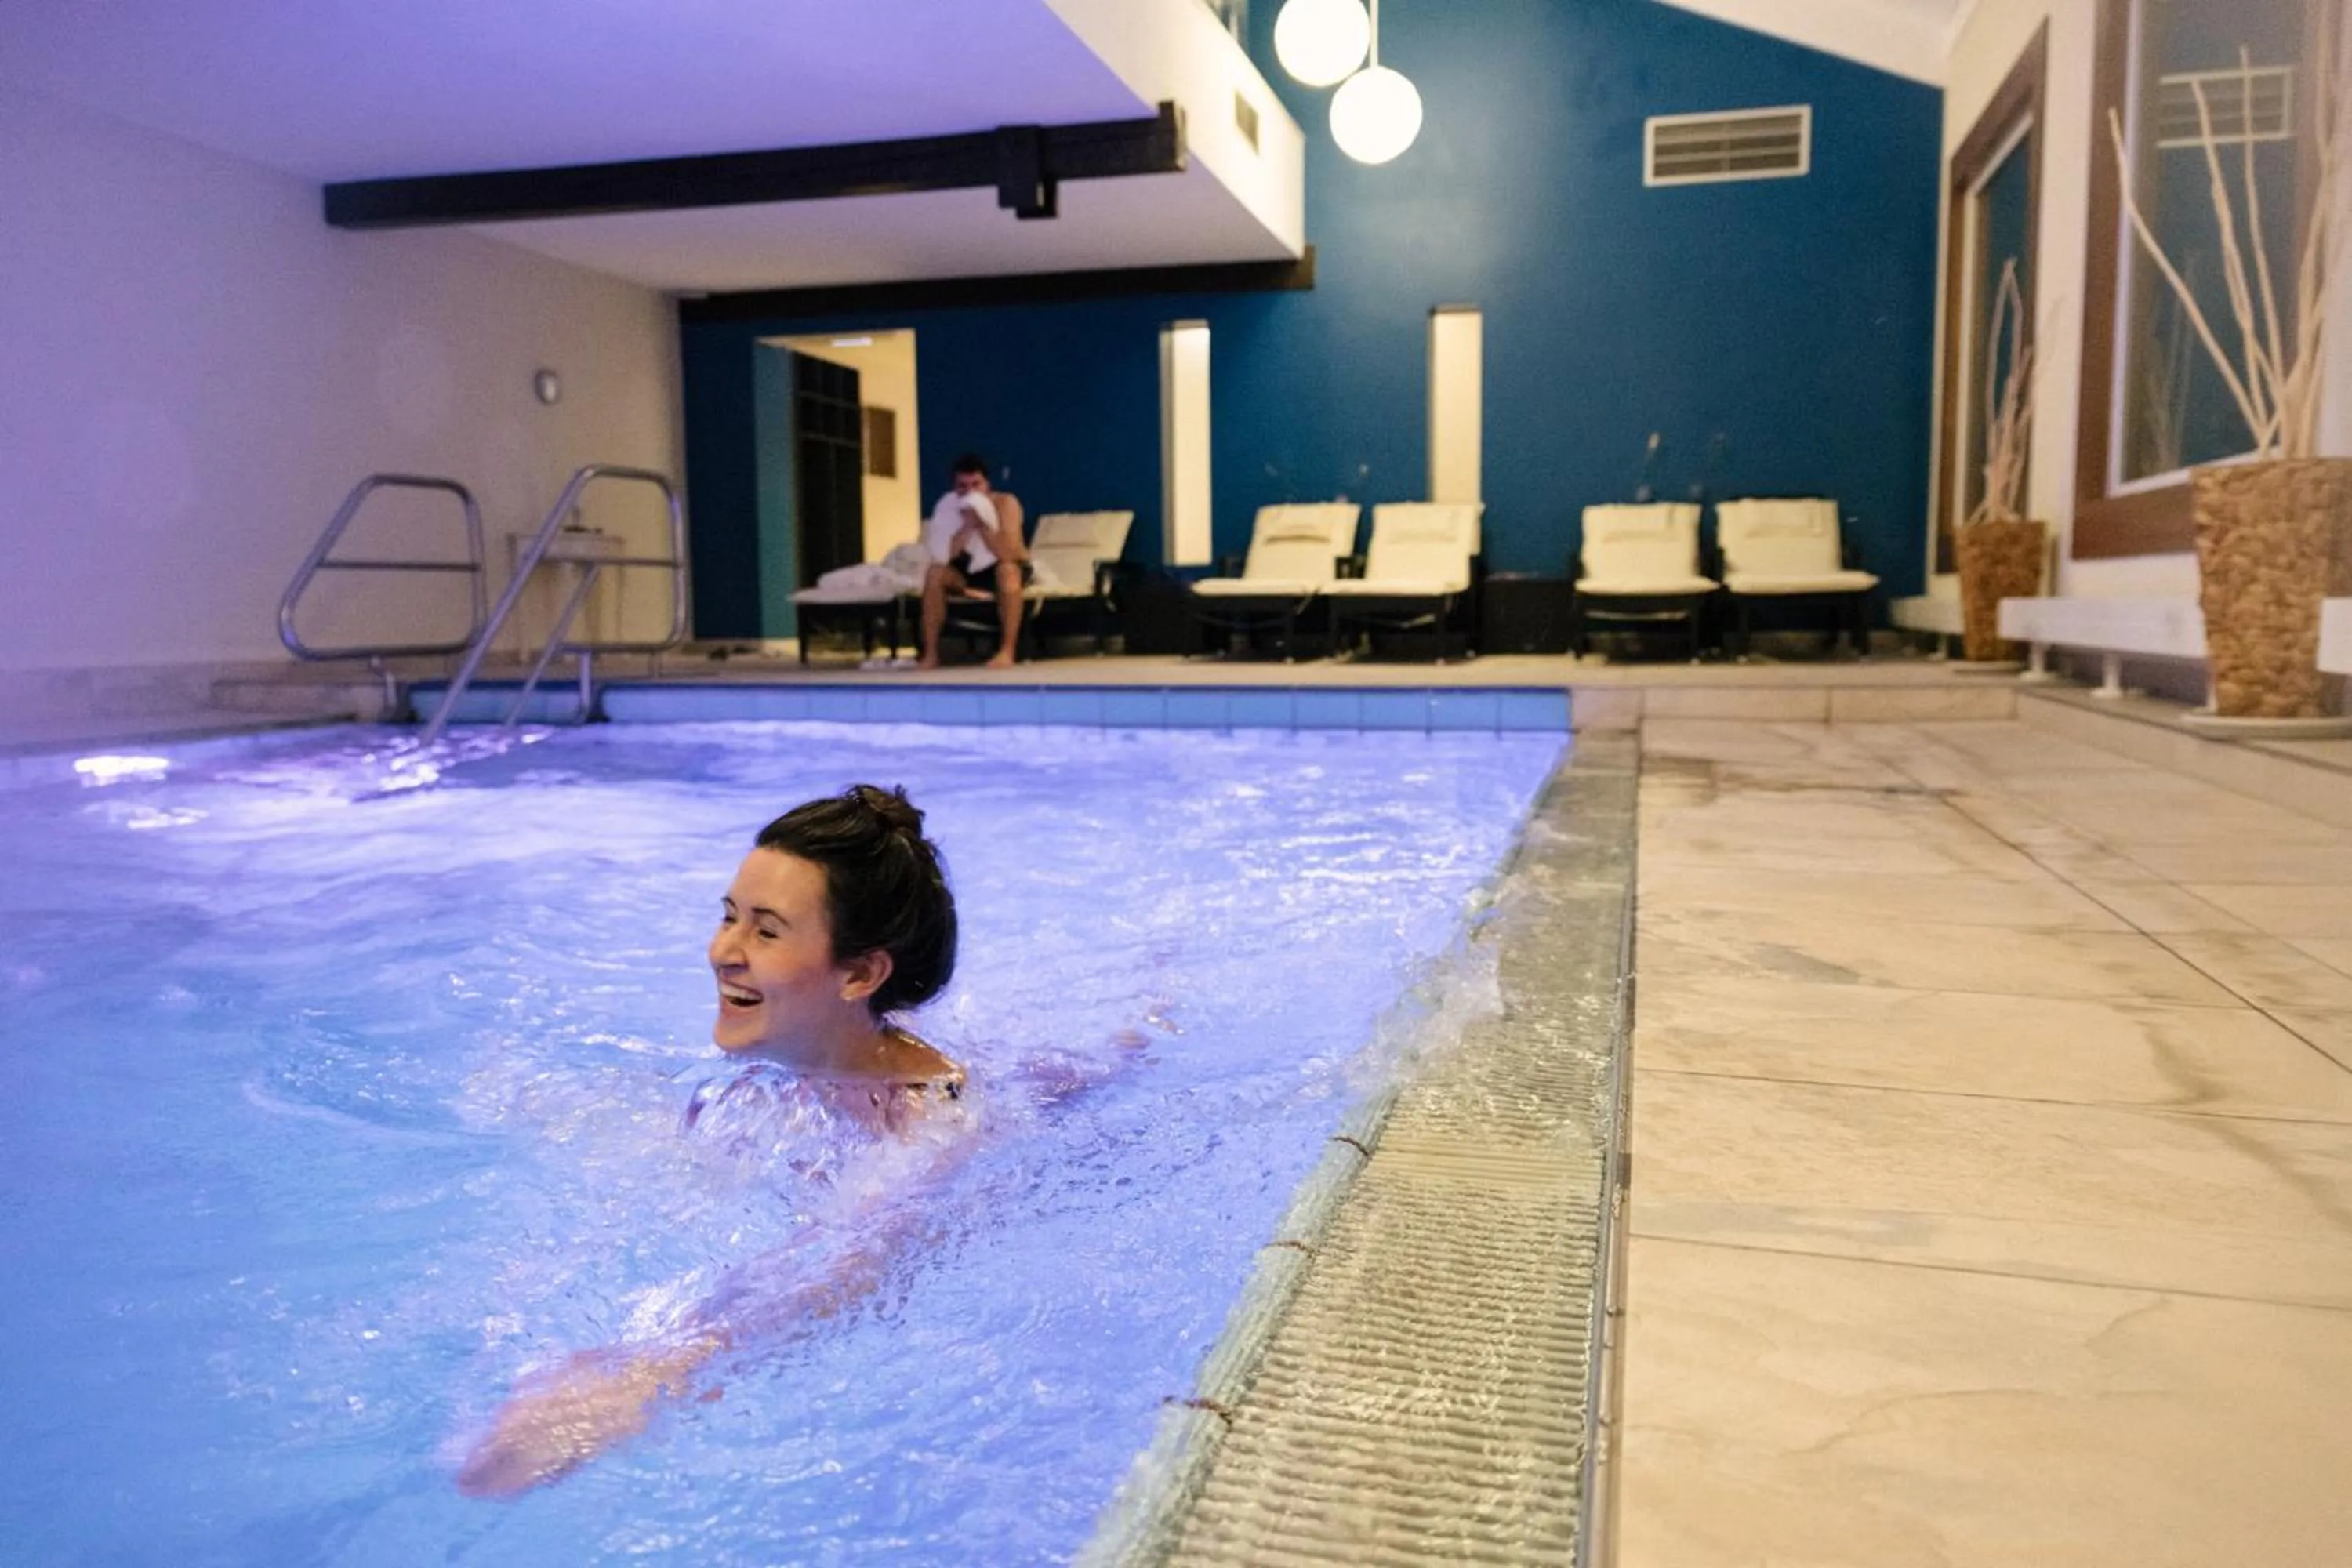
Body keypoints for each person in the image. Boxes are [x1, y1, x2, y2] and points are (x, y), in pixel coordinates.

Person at [456, 786, 967, 1498]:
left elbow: (847, 1262)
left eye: (765, 931)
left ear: (859, 974)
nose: (722, 953)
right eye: (728, 918)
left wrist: (654, 1375)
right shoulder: (761, 1074)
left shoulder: (931, 1129)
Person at [918, 453, 1028, 670]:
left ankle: (1007, 650)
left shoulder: (1005, 503)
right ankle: (930, 654)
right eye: (962, 486)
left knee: (1008, 572)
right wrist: (967, 527)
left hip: (1001, 565)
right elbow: (945, 555)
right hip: (966, 570)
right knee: (934, 574)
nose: (970, 491)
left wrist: (983, 524)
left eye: (976, 484)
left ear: (987, 484)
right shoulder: (947, 507)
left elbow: (1008, 552)